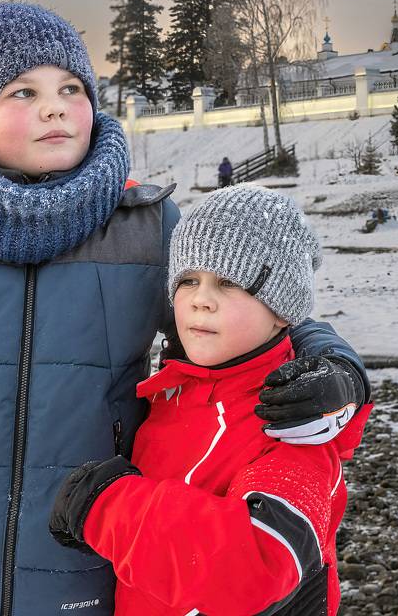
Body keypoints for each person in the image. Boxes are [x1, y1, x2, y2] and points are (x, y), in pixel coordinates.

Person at [0, 3, 368, 616]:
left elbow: (251, 316)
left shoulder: (146, 232)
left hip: (92, 570)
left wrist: (335, 367)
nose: (55, 107)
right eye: (23, 91)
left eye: (71, 88)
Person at [48, 185, 369, 615]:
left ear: (282, 309)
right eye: (188, 280)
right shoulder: (175, 392)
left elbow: (259, 560)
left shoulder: (291, 423)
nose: (201, 300)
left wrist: (107, 509)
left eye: (228, 282)